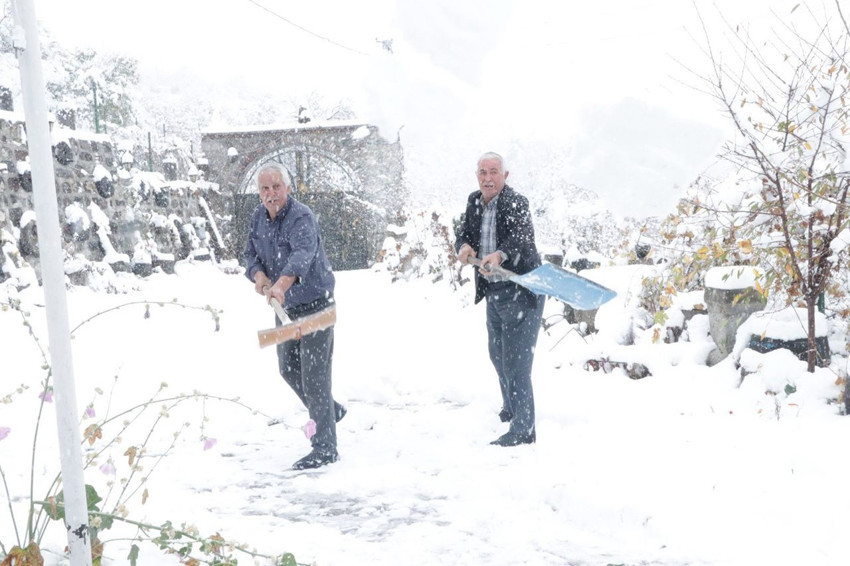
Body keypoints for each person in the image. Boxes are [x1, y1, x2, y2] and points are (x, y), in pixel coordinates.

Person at [244, 162, 345, 470]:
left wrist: (280, 285)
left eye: (276, 187)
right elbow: (250, 254)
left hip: (316, 306)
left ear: (288, 188)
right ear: (259, 193)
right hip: (285, 308)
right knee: (288, 368)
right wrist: (259, 276)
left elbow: (301, 257)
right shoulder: (258, 219)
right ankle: (330, 410)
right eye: (265, 189)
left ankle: (325, 447)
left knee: (315, 376)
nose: (271, 194)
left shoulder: (302, 217)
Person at [455, 152, 545, 447]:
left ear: (505, 176)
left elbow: (521, 238)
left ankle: (523, 429)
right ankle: (511, 409)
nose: (488, 177)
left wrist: (500, 254)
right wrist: (464, 245)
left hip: (521, 290)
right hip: (493, 292)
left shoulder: (516, 203)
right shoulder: (474, 202)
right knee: (498, 355)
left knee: (516, 362)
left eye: (494, 171)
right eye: (482, 172)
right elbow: (463, 233)